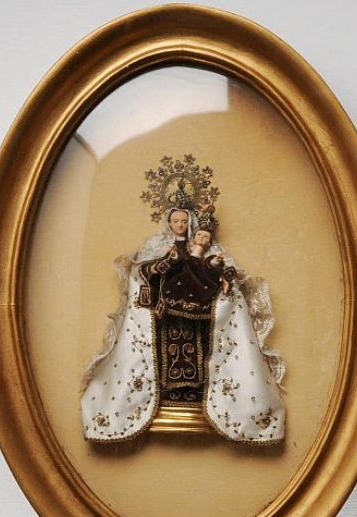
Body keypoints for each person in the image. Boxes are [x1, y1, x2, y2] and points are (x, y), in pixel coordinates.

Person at [81, 157, 285, 444]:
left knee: (197, 351)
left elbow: (221, 271)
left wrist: (220, 276)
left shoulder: (204, 246)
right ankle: (162, 394)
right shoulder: (156, 245)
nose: (180, 225)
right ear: (169, 222)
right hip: (165, 311)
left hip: (198, 310)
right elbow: (143, 272)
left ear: (191, 223)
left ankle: (199, 395)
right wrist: (164, 264)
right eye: (175, 221)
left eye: (184, 221)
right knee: (167, 351)